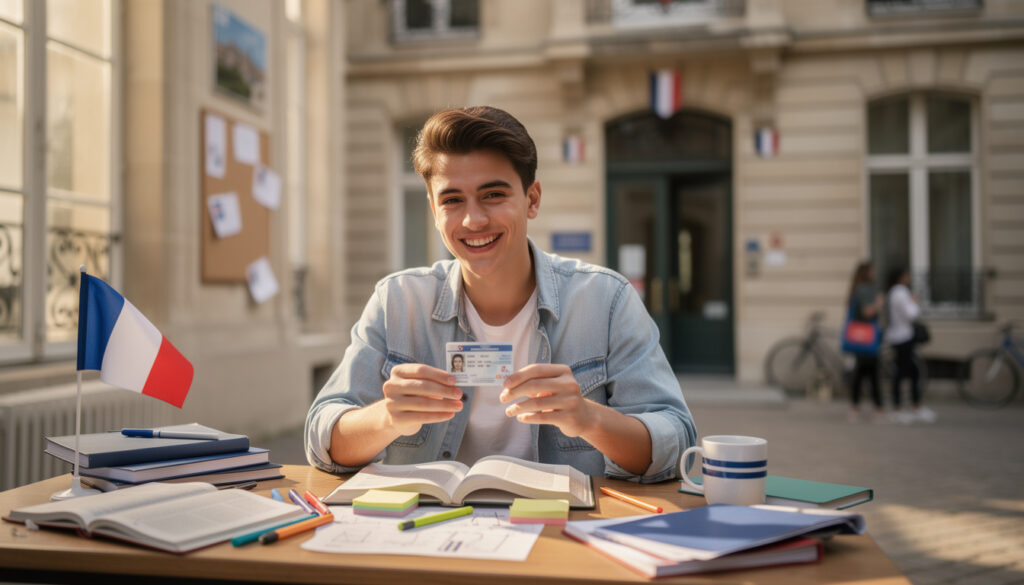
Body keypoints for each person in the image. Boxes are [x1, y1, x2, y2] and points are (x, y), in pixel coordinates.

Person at [305, 106, 695, 482]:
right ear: (433, 209)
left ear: (533, 200)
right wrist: (386, 418)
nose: (474, 220)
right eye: (452, 199)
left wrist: (588, 418)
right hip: (431, 530)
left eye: (493, 195)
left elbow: (675, 440)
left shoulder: (605, 300)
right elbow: (322, 438)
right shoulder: (397, 301)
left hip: (562, 531)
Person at [885, 266, 935, 424]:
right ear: (901, 276)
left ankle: (914, 406)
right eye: (907, 275)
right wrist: (915, 302)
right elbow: (911, 314)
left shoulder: (893, 292)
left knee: (911, 372)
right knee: (903, 372)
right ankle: (900, 408)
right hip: (903, 337)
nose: (909, 278)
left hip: (897, 336)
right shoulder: (901, 292)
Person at [845, 261, 884, 423]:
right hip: (866, 338)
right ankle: (875, 408)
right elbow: (867, 312)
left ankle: (857, 408)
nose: (875, 273)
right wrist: (879, 303)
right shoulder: (864, 290)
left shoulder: (857, 289)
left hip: (860, 338)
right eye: (872, 271)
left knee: (861, 373)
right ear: (866, 272)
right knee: (869, 373)